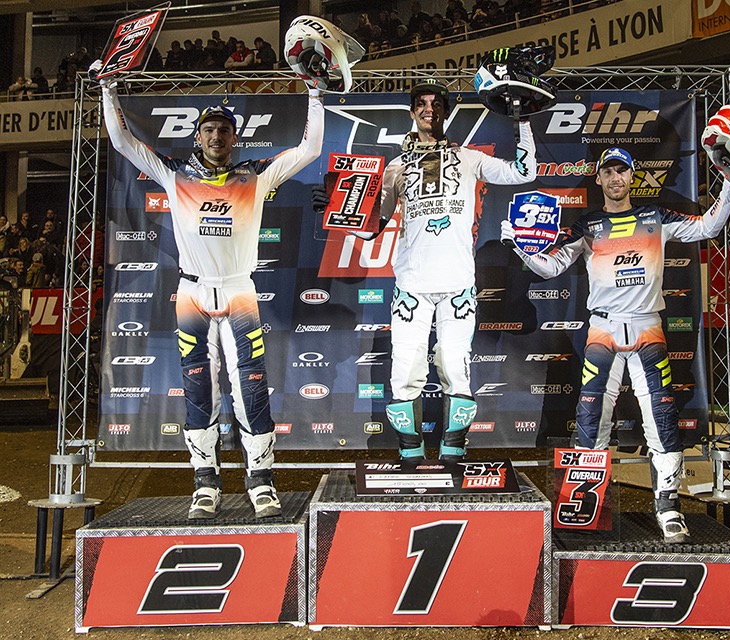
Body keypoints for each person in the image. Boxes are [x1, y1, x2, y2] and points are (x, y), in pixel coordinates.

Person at [91, 58, 325, 519]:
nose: (217, 136)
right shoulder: (174, 173)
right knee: (198, 388)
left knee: (251, 389)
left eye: (224, 130)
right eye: (209, 130)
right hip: (193, 295)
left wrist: (315, 94)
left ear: (235, 138)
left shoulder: (256, 175)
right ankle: (205, 483)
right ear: (197, 137)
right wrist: (108, 89)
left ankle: (261, 482)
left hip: (239, 292)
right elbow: (122, 141)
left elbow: (310, 149)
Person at [501, 147, 730, 543]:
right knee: (592, 419)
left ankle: (668, 507)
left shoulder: (656, 217)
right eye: (608, 172)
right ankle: (585, 509)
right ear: (599, 178)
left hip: (648, 329)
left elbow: (709, 227)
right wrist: (519, 246)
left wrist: (729, 183)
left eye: (621, 171)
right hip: (603, 330)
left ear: (632, 176)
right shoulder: (588, 225)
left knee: (661, 419)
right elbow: (551, 267)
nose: (615, 178)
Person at [315, 78, 537, 463]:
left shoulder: (469, 158)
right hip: (412, 286)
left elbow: (523, 171)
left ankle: (454, 452)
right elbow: (372, 227)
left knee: (456, 369)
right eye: (421, 102)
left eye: (436, 103)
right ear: (412, 110)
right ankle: (410, 455)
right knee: (404, 373)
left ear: (446, 111)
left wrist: (522, 119)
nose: (429, 109)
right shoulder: (396, 166)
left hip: (457, 285)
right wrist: (336, 207)